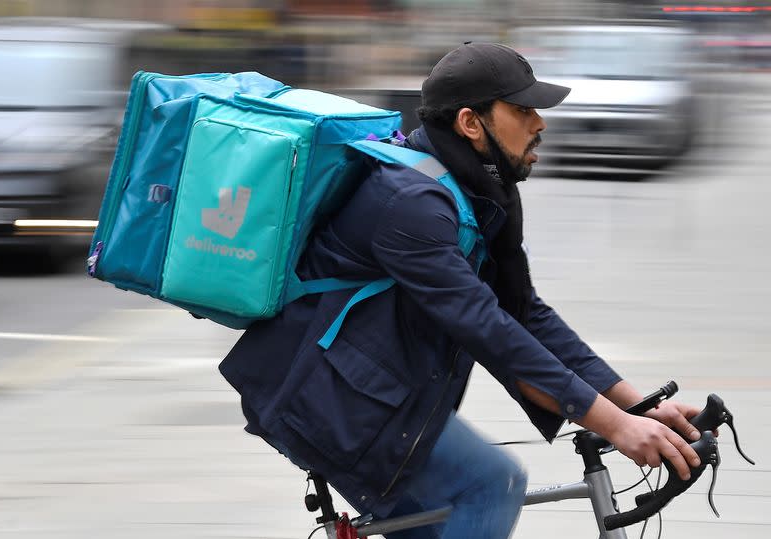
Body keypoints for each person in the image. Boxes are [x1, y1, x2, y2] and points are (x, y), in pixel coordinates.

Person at [219, 42, 704, 539]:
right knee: (491, 485)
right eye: (521, 109)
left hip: (368, 393)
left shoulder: (473, 191)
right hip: (323, 399)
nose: (539, 122)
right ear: (472, 124)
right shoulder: (408, 202)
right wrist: (616, 426)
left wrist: (634, 406)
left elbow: (524, 314)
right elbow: (488, 329)